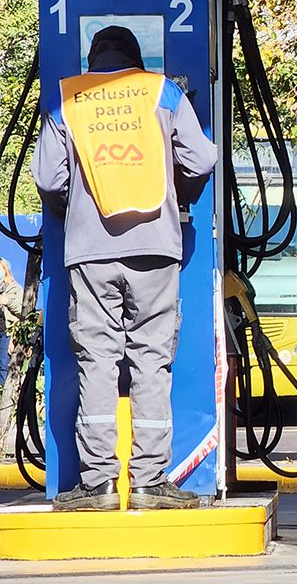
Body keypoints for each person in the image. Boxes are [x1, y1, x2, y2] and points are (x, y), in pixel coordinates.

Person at [33, 25, 217, 511]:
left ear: (93, 58)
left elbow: (48, 179)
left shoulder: (68, 98)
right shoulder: (164, 91)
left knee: (97, 360)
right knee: (151, 359)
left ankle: (97, 484)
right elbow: (202, 160)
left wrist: (74, 206)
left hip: (89, 250)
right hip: (156, 246)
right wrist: (179, 191)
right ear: (136, 59)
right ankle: (150, 482)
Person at [0, 257, 21, 386]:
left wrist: (7, 301)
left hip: (6, 333)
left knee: (3, 365)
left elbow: (22, 310)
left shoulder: (14, 289)